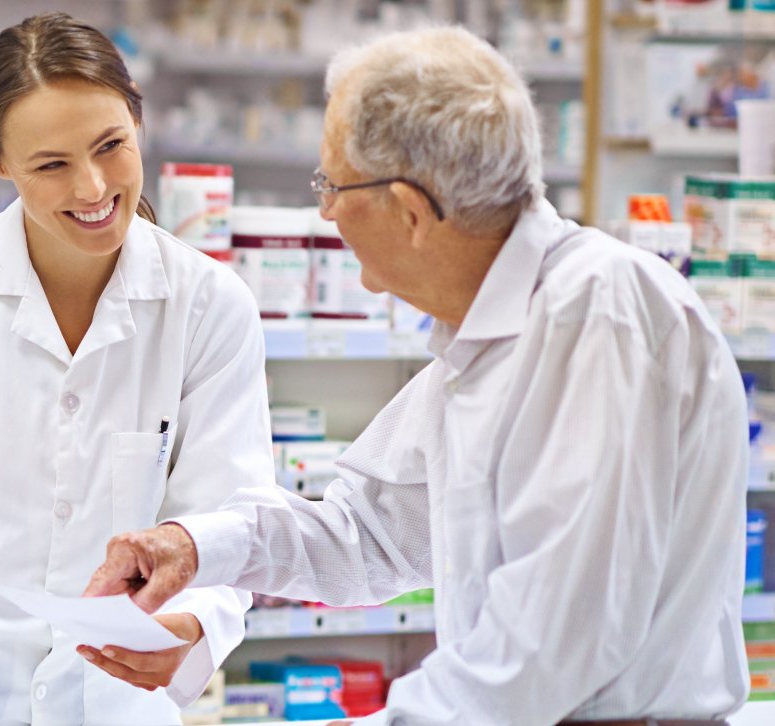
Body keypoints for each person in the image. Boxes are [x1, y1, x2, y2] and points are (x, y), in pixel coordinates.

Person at [84, 26, 750, 725]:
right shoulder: (487, 333)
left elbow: (551, 648)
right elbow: (366, 536)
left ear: (408, 210)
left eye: (333, 185)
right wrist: (198, 547)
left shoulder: (597, 317)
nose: (326, 212)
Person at [0, 12, 275, 726]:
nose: (94, 187)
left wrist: (190, 626)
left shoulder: (209, 305)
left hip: (110, 700)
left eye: (111, 147)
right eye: (52, 164)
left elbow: (231, 520)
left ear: (140, 125)